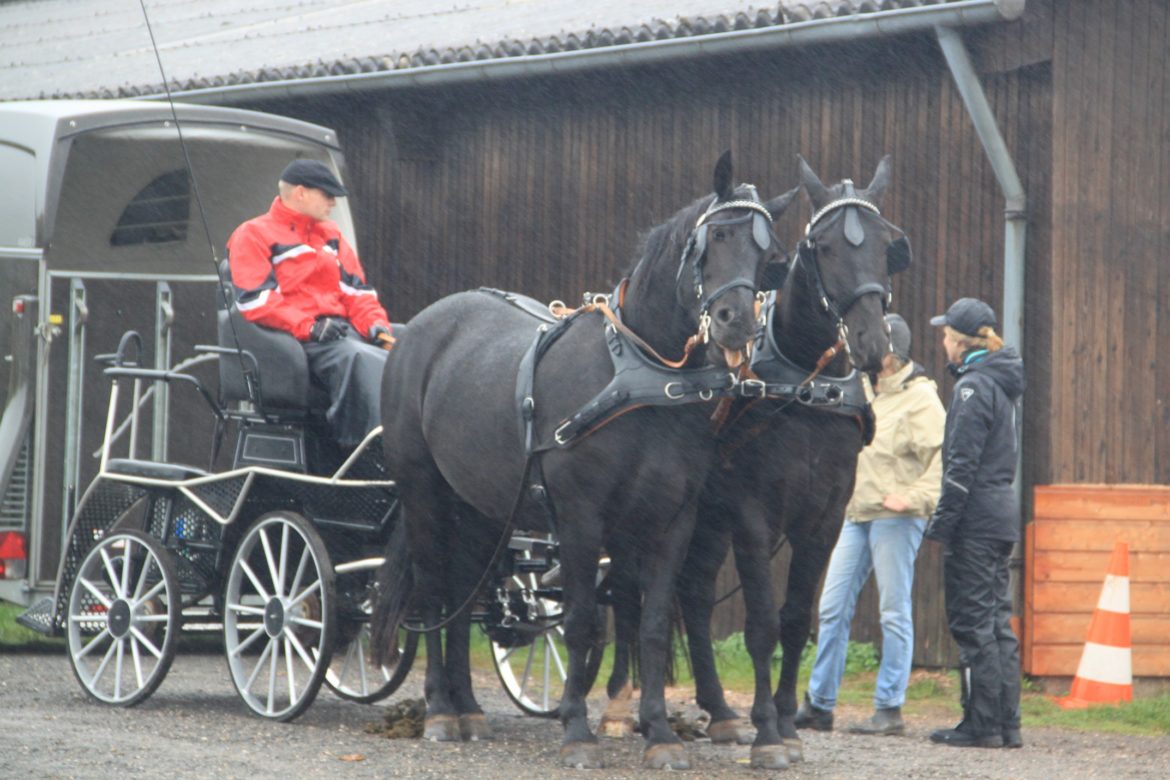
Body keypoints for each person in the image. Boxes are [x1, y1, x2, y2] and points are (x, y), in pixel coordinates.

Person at [794, 314, 946, 736]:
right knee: (831, 607)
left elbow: (940, 461)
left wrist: (912, 500)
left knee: (893, 612)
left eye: (872, 346)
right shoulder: (859, 390)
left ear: (891, 353)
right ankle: (820, 704)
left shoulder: (921, 399)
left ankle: (889, 708)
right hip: (856, 514)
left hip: (896, 518)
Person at [226, 159, 395, 449]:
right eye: (327, 194)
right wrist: (310, 327)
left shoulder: (331, 236)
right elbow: (257, 301)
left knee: (415, 346)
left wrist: (378, 328)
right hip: (297, 340)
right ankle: (369, 448)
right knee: (358, 357)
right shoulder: (253, 234)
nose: (333, 202)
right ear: (301, 193)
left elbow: (357, 293)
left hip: (338, 331)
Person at [924, 297, 1025, 749]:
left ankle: (980, 725)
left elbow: (960, 466)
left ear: (960, 343)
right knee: (999, 621)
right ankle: (1007, 724)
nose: (942, 341)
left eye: (946, 335)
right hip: (1001, 514)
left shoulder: (971, 388)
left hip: (976, 520)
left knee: (972, 623)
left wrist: (942, 525)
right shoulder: (1001, 385)